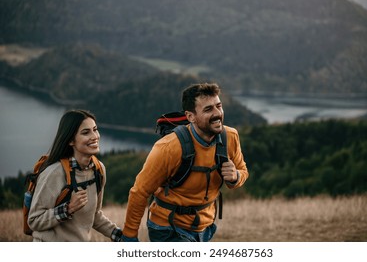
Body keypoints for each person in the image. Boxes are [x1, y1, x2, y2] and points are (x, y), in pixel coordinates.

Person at [121, 82, 249, 242]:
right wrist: (129, 236)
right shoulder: (168, 148)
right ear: (190, 117)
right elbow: (140, 192)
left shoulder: (230, 137)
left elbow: (243, 170)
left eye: (219, 106)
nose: (217, 113)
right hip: (168, 228)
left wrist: (235, 176)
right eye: (208, 109)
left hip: (205, 227)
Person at [27, 109, 122, 242]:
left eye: (95, 129)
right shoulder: (54, 173)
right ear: (71, 140)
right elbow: (34, 221)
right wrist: (68, 208)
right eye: (86, 132)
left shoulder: (98, 170)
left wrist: (121, 236)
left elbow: (94, 215)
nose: (95, 136)